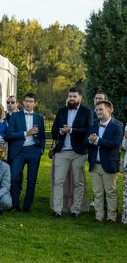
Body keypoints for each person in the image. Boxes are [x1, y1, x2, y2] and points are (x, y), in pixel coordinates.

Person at [50, 87, 93, 218]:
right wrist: (60, 131)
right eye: (70, 96)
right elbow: (53, 129)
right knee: (58, 181)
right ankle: (57, 210)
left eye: (74, 96)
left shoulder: (87, 112)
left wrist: (72, 130)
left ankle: (76, 209)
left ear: (80, 98)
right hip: (62, 151)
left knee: (78, 182)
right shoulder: (61, 111)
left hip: (78, 152)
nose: (72, 99)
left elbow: (88, 130)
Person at [7, 93, 46, 212]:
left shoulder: (39, 117)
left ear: (35, 103)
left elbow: (43, 136)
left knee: (31, 180)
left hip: (34, 150)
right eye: (27, 101)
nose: (28, 103)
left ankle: (27, 206)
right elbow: (9, 134)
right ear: (23, 102)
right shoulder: (15, 116)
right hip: (19, 151)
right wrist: (26, 133)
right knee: (13, 178)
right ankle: (16, 204)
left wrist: (41, 150)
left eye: (31, 101)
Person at [86, 101, 122, 223]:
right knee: (98, 193)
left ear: (108, 110)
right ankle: (98, 216)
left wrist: (98, 140)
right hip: (94, 165)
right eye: (96, 110)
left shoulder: (116, 127)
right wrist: (90, 142)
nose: (98, 112)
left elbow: (115, 144)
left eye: (101, 109)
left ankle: (111, 217)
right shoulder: (93, 126)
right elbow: (85, 143)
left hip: (109, 165)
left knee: (110, 192)